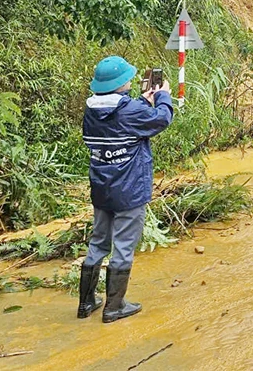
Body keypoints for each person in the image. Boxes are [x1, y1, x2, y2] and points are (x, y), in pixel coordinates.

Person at [77, 56, 173, 323]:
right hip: (129, 189)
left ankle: (86, 303)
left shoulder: (92, 109)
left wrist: (143, 100)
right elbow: (161, 119)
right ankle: (115, 306)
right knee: (123, 246)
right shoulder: (130, 110)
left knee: (98, 242)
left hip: (101, 186)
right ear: (122, 83)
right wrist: (162, 96)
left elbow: (123, 120)